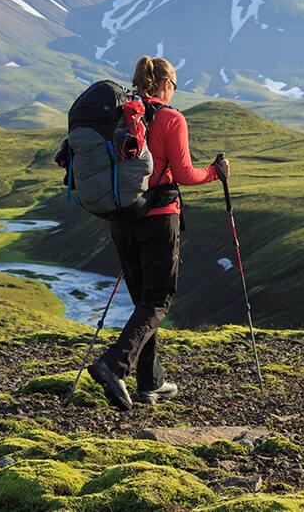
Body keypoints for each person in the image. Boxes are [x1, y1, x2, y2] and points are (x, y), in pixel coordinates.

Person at [88, 56, 228, 410]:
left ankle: (150, 382)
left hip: (121, 219)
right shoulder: (171, 118)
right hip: (160, 217)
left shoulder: (119, 118)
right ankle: (113, 364)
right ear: (167, 85)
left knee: (143, 303)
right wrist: (215, 172)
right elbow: (184, 174)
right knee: (158, 299)